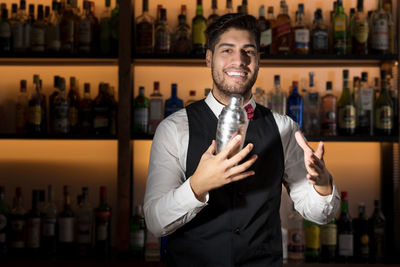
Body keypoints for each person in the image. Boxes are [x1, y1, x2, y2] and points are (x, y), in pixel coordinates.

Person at [144, 13, 340, 266]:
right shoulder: (173, 128)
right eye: (227, 50)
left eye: (249, 51)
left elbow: (320, 214)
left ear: (258, 60)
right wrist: (197, 186)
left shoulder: (285, 128)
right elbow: (155, 222)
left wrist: (322, 184)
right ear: (208, 58)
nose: (239, 60)